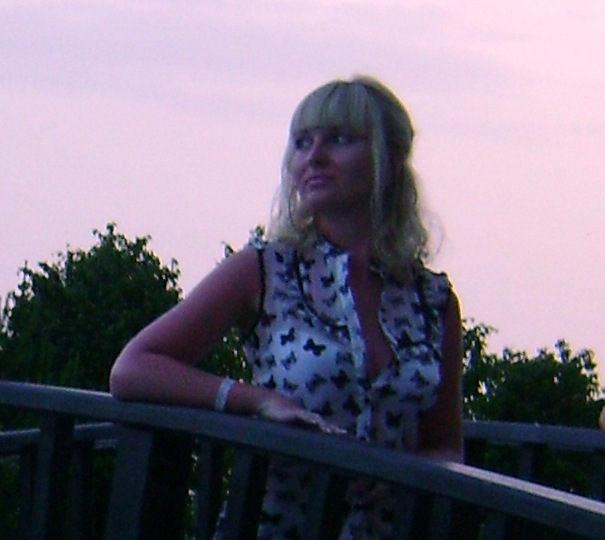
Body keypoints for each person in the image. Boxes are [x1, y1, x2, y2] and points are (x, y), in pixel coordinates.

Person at [110, 76, 464, 539]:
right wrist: (257, 401)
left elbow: (444, 446)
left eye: (339, 139)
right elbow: (134, 368)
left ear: (391, 160)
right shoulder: (264, 269)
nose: (314, 156)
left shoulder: (432, 299)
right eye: (302, 142)